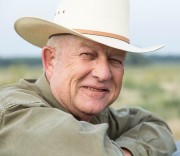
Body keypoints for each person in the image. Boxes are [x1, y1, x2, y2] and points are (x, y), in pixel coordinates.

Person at [0, 0, 177, 155]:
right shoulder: (15, 113)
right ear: (51, 60)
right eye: (87, 55)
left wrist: (127, 151)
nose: (104, 73)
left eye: (115, 60)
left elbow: (156, 126)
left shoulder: (95, 115)